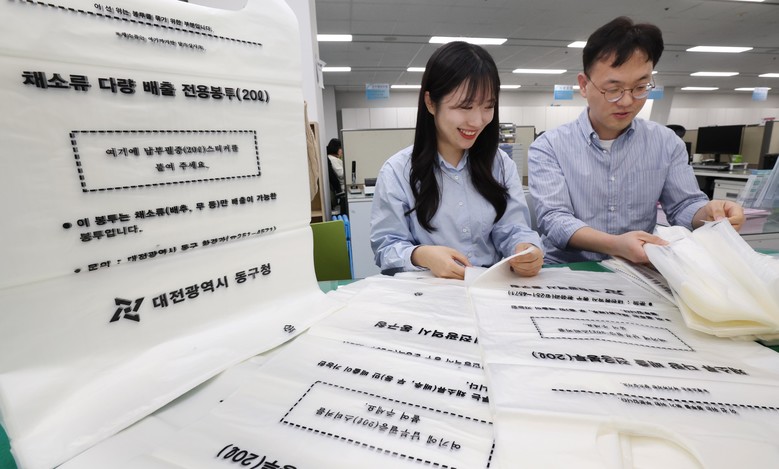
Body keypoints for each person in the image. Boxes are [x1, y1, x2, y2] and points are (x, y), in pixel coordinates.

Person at [528, 16, 745, 265]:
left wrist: (709, 213)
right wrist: (615, 245)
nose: (627, 101)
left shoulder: (666, 143)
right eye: (613, 89)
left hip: (639, 269)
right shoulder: (549, 147)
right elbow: (554, 219)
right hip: (569, 268)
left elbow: (683, 206)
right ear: (584, 85)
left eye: (640, 87)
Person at [370, 41, 542, 280]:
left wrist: (526, 249)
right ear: (431, 103)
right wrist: (422, 255)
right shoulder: (397, 171)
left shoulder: (501, 165)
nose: (477, 121)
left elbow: (513, 229)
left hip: (490, 289)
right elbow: (385, 248)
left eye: (488, 106)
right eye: (465, 106)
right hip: (429, 292)